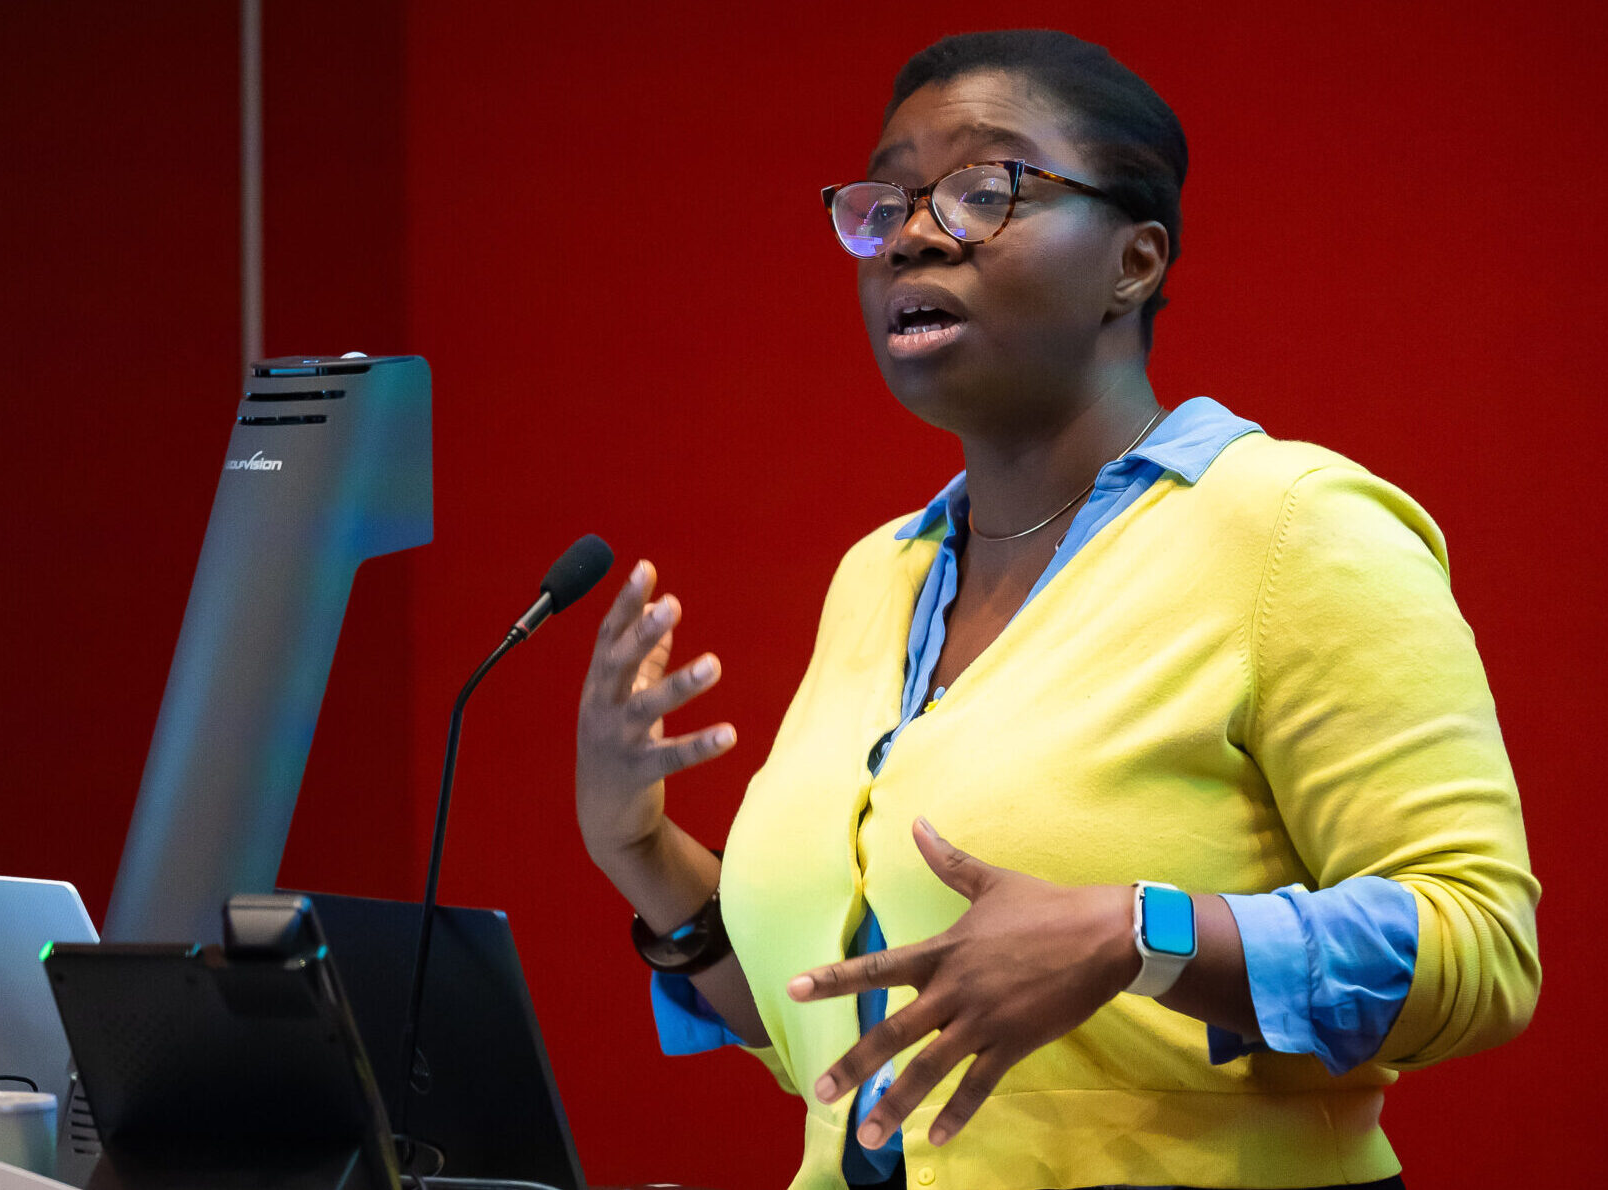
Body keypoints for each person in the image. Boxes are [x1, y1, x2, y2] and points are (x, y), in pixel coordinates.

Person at [572, 29, 1539, 1190]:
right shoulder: (877, 575)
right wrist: (642, 853)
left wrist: (1143, 931)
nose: (915, 233)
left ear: (1132, 263)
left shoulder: (1290, 525)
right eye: (888, 203)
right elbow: (845, 1043)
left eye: (985, 190)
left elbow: (1479, 951)